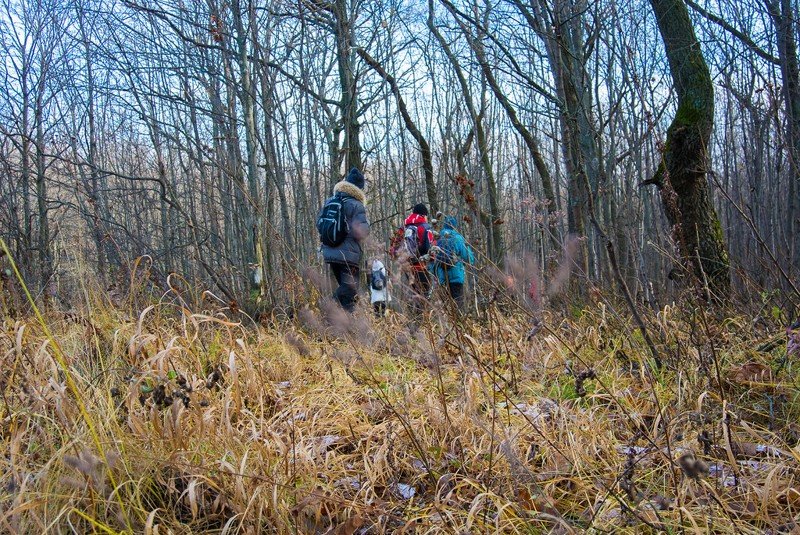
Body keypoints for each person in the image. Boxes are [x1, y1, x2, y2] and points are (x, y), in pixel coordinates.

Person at [318, 167, 369, 312]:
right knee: (351, 288)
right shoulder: (356, 205)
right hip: (348, 255)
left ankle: (346, 327)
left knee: (348, 293)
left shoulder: (330, 201)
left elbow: (319, 223)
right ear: (359, 188)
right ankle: (329, 305)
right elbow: (361, 231)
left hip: (330, 253)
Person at [391, 203, 436, 313]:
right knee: (423, 295)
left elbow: (393, 248)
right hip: (421, 266)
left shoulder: (404, 227)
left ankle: (411, 321)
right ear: (424, 215)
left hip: (406, 268)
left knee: (412, 294)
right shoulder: (425, 227)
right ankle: (420, 323)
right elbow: (431, 249)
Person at [430, 215, 474, 310]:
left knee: (445, 305)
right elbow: (468, 257)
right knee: (458, 303)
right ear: (454, 226)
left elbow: (431, 257)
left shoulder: (437, 237)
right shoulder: (458, 238)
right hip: (456, 276)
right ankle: (459, 322)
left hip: (441, 277)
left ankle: (445, 323)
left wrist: (433, 271)